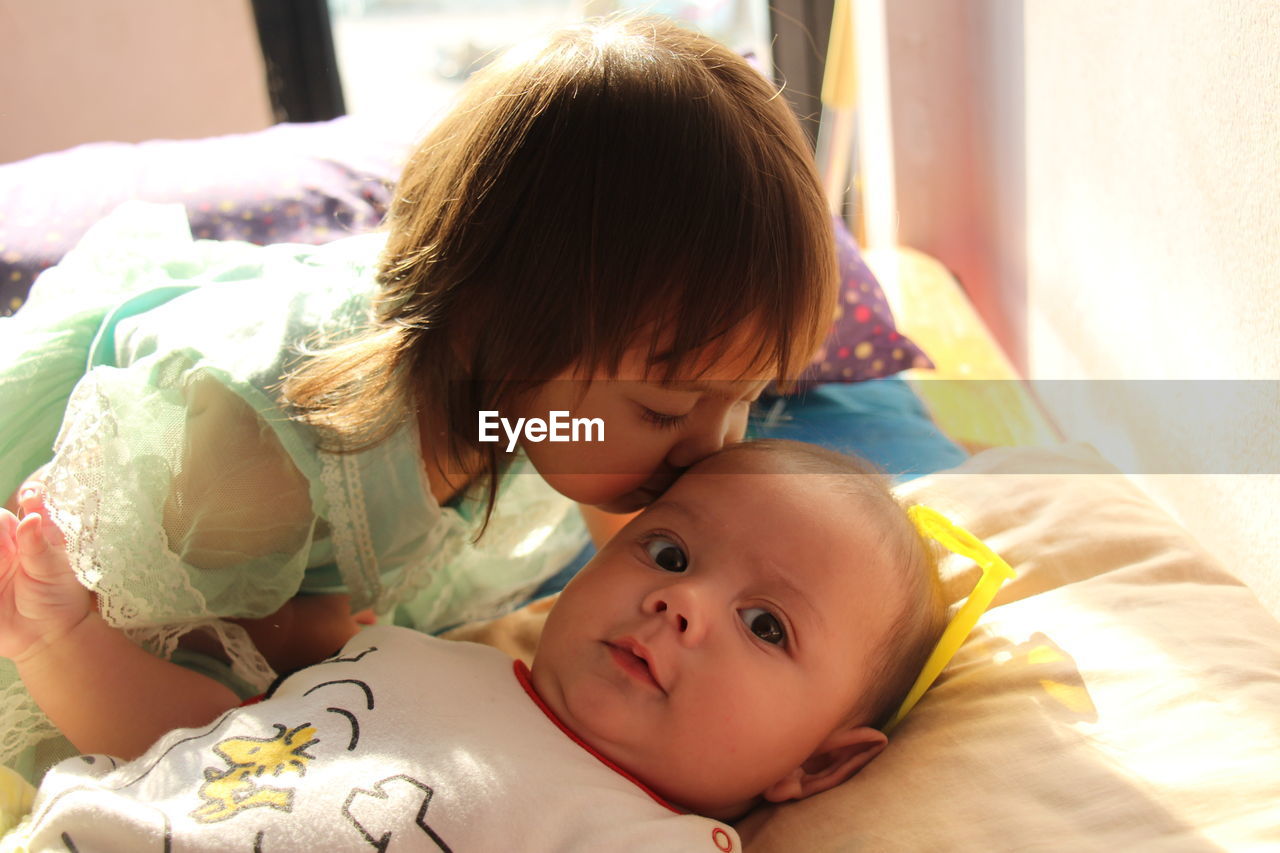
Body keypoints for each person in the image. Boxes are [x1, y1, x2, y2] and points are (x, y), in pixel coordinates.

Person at [0, 14, 837, 775]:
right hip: (95, 611)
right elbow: (189, 737)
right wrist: (295, 637)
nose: (712, 448)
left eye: (748, 399)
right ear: (501, 331)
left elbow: (664, 531)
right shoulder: (256, 462)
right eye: (664, 409)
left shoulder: (541, 396)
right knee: (279, 751)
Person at [0, 440, 947, 850]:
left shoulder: (651, 842)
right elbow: (213, 748)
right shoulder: (419, 656)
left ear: (820, 763)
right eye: (667, 548)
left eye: (767, 624)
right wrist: (62, 637)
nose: (682, 600)